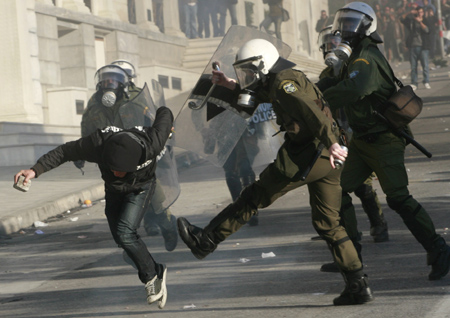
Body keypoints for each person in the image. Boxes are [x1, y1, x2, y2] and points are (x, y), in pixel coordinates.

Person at [177, 38, 374, 306]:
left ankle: (206, 240)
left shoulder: (284, 83)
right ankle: (358, 284)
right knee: (329, 223)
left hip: (310, 156)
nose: (245, 76)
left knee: (254, 197)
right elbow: (261, 96)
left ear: (262, 65)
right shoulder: (278, 79)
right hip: (328, 158)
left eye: (248, 70)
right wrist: (227, 84)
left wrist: (332, 142)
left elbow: (310, 111)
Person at [317, 2, 450, 281]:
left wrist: (319, 100)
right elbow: (334, 81)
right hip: (363, 140)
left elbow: (356, 88)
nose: (345, 28)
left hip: (384, 140)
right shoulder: (353, 55)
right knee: (338, 190)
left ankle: (439, 250)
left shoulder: (366, 56)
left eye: (353, 23)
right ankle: (351, 255)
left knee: (399, 199)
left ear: (367, 26)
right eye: (344, 22)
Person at [14, 105, 174, 308]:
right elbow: (64, 152)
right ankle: (152, 266)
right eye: (113, 168)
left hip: (140, 188)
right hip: (114, 191)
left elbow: (165, 112)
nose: (116, 172)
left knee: (125, 232)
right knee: (119, 236)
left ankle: (152, 277)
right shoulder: (97, 143)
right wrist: (34, 171)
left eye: (121, 170)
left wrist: (160, 117)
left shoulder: (153, 142)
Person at [79, 61, 178, 252]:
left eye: (113, 80)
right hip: (114, 160)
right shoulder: (94, 104)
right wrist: (81, 152)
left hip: (140, 155)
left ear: (122, 81)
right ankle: (131, 247)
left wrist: (165, 135)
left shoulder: (136, 98)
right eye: (105, 80)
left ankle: (168, 226)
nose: (109, 84)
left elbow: (153, 117)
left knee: (155, 197)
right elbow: (87, 127)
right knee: (122, 204)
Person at [316, 27, 388, 273]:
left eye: (335, 43)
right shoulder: (328, 71)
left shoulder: (358, 64)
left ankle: (378, 223)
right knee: (338, 187)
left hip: (356, 131)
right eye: (329, 44)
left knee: (363, 185)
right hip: (336, 133)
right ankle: (350, 244)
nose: (332, 47)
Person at [401, 6, 431, 90]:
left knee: (425, 65)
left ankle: (426, 81)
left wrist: (420, 22)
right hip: (413, 46)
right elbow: (402, 19)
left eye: (421, 12)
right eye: (417, 12)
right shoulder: (411, 21)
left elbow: (427, 30)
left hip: (423, 47)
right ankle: (414, 83)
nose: (419, 14)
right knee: (413, 66)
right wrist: (409, 13)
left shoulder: (425, 20)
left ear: (423, 13)